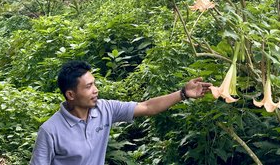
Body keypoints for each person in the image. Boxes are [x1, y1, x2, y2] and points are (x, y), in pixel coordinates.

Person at [30, 60, 212, 165]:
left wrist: (182, 93)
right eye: (88, 86)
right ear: (70, 94)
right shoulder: (50, 130)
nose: (95, 90)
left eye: (94, 83)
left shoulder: (105, 109)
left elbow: (147, 107)